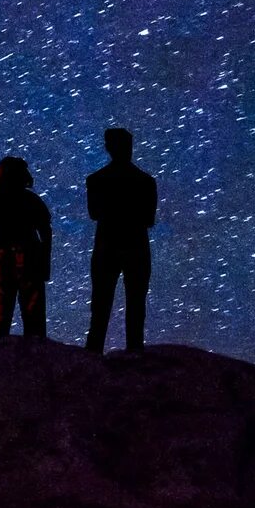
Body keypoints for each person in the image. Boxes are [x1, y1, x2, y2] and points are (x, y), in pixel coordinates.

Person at [83, 127, 158, 352]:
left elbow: (94, 213)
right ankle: (134, 351)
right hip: (136, 246)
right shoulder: (146, 182)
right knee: (136, 304)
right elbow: (148, 219)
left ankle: (93, 352)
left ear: (108, 147)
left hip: (107, 245)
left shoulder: (96, 180)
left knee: (100, 305)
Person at [0, 155, 52, 340]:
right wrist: (45, 261)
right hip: (30, 254)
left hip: (1, 255)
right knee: (33, 313)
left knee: (2, 311)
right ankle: (36, 357)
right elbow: (45, 230)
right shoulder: (31, 200)